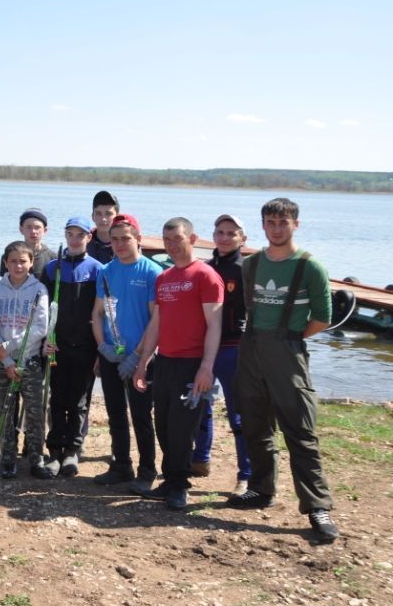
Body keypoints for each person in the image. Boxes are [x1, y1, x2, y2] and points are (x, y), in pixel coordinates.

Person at [226, 198, 338, 542]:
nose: (276, 229)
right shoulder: (252, 263)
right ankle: (261, 489)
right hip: (252, 350)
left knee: (300, 432)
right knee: (255, 425)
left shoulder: (310, 267)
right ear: (262, 226)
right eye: (271, 223)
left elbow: (323, 317)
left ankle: (317, 505)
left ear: (295, 225)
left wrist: (290, 338)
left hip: (288, 353)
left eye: (283, 223)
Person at [133, 217, 223, 510]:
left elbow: (215, 325)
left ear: (192, 239)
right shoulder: (164, 277)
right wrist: (144, 361)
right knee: (164, 425)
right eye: (167, 240)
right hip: (166, 361)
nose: (172, 245)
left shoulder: (205, 276)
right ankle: (169, 480)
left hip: (192, 363)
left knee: (182, 428)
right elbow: (157, 323)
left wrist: (206, 367)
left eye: (178, 239)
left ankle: (179, 485)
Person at [91, 214, 160, 492]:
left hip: (142, 360)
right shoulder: (106, 271)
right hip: (112, 356)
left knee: (142, 416)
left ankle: (147, 471)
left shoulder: (151, 272)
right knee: (115, 413)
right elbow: (96, 314)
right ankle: (121, 465)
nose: (119, 244)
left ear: (138, 239)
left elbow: (157, 319)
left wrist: (138, 357)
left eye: (125, 238)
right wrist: (103, 347)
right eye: (115, 239)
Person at [191, 215, 252, 495]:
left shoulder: (246, 269)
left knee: (238, 414)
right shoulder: (206, 268)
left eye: (231, 233)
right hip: (205, 347)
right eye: (220, 232)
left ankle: (246, 474)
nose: (225, 238)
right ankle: (201, 458)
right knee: (200, 403)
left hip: (233, 347)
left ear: (243, 238)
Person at [42, 216, 103, 478]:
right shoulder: (51, 268)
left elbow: (102, 311)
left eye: (80, 235)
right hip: (57, 345)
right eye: (70, 234)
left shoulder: (98, 269)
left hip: (86, 346)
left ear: (88, 237)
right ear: (65, 236)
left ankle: (73, 451)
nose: (75, 239)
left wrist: (101, 347)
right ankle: (55, 450)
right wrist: (46, 337)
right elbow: (42, 311)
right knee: (57, 399)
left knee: (79, 401)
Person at [0, 241, 50, 479]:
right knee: (5, 411)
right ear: (5, 263)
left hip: (29, 360)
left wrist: (11, 348)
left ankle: (36, 459)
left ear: (31, 263)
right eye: (13, 261)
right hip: (1, 362)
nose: (18, 265)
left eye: (23, 261)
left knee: (34, 413)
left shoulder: (38, 290)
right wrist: (4, 357)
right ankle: (8, 459)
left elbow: (40, 327)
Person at [0, 208, 54, 281]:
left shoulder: (53, 258)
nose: (33, 231)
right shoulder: (10, 256)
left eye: (37, 227)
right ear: (21, 230)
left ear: (45, 230)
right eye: (29, 227)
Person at [87, 191, 119, 264]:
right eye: (98, 214)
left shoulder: (125, 244)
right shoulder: (84, 242)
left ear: (117, 217)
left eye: (108, 214)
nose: (103, 219)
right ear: (93, 216)